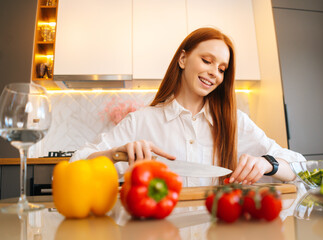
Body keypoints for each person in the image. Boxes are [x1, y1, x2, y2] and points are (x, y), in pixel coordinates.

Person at [70, 27, 306, 186]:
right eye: (207, 61)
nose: (214, 73)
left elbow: (301, 168)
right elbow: (75, 166)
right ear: (183, 59)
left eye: (222, 69)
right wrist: (114, 154)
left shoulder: (235, 122)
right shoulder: (141, 121)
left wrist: (268, 163)